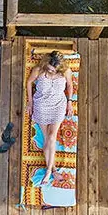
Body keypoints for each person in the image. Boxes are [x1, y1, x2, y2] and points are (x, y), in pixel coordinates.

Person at [26, 50, 74, 186]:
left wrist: (69, 102)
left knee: (52, 137)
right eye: (50, 69)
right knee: (47, 138)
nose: (51, 71)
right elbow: (29, 83)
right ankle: (53, 169)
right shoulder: (39, 70)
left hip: (58, 105)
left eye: (54, 70)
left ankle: (48, 171)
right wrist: (30, 102)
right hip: (41, 105)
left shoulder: (66, 71)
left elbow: (70, 85)